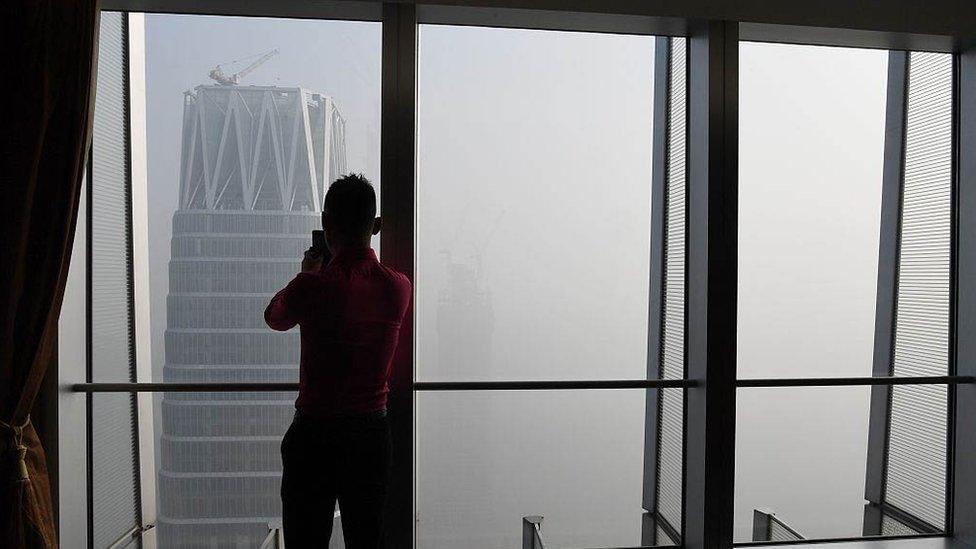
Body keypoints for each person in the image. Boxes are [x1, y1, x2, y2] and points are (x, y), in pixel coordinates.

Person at [265, 174, 411, 548]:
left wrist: (307, 273)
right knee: (367, 537)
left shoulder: (312, 286)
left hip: (314, 436)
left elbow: (275, 317)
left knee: (307, 539)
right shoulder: (398, 287)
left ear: (327, 224)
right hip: (371, 436)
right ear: (375, 226)